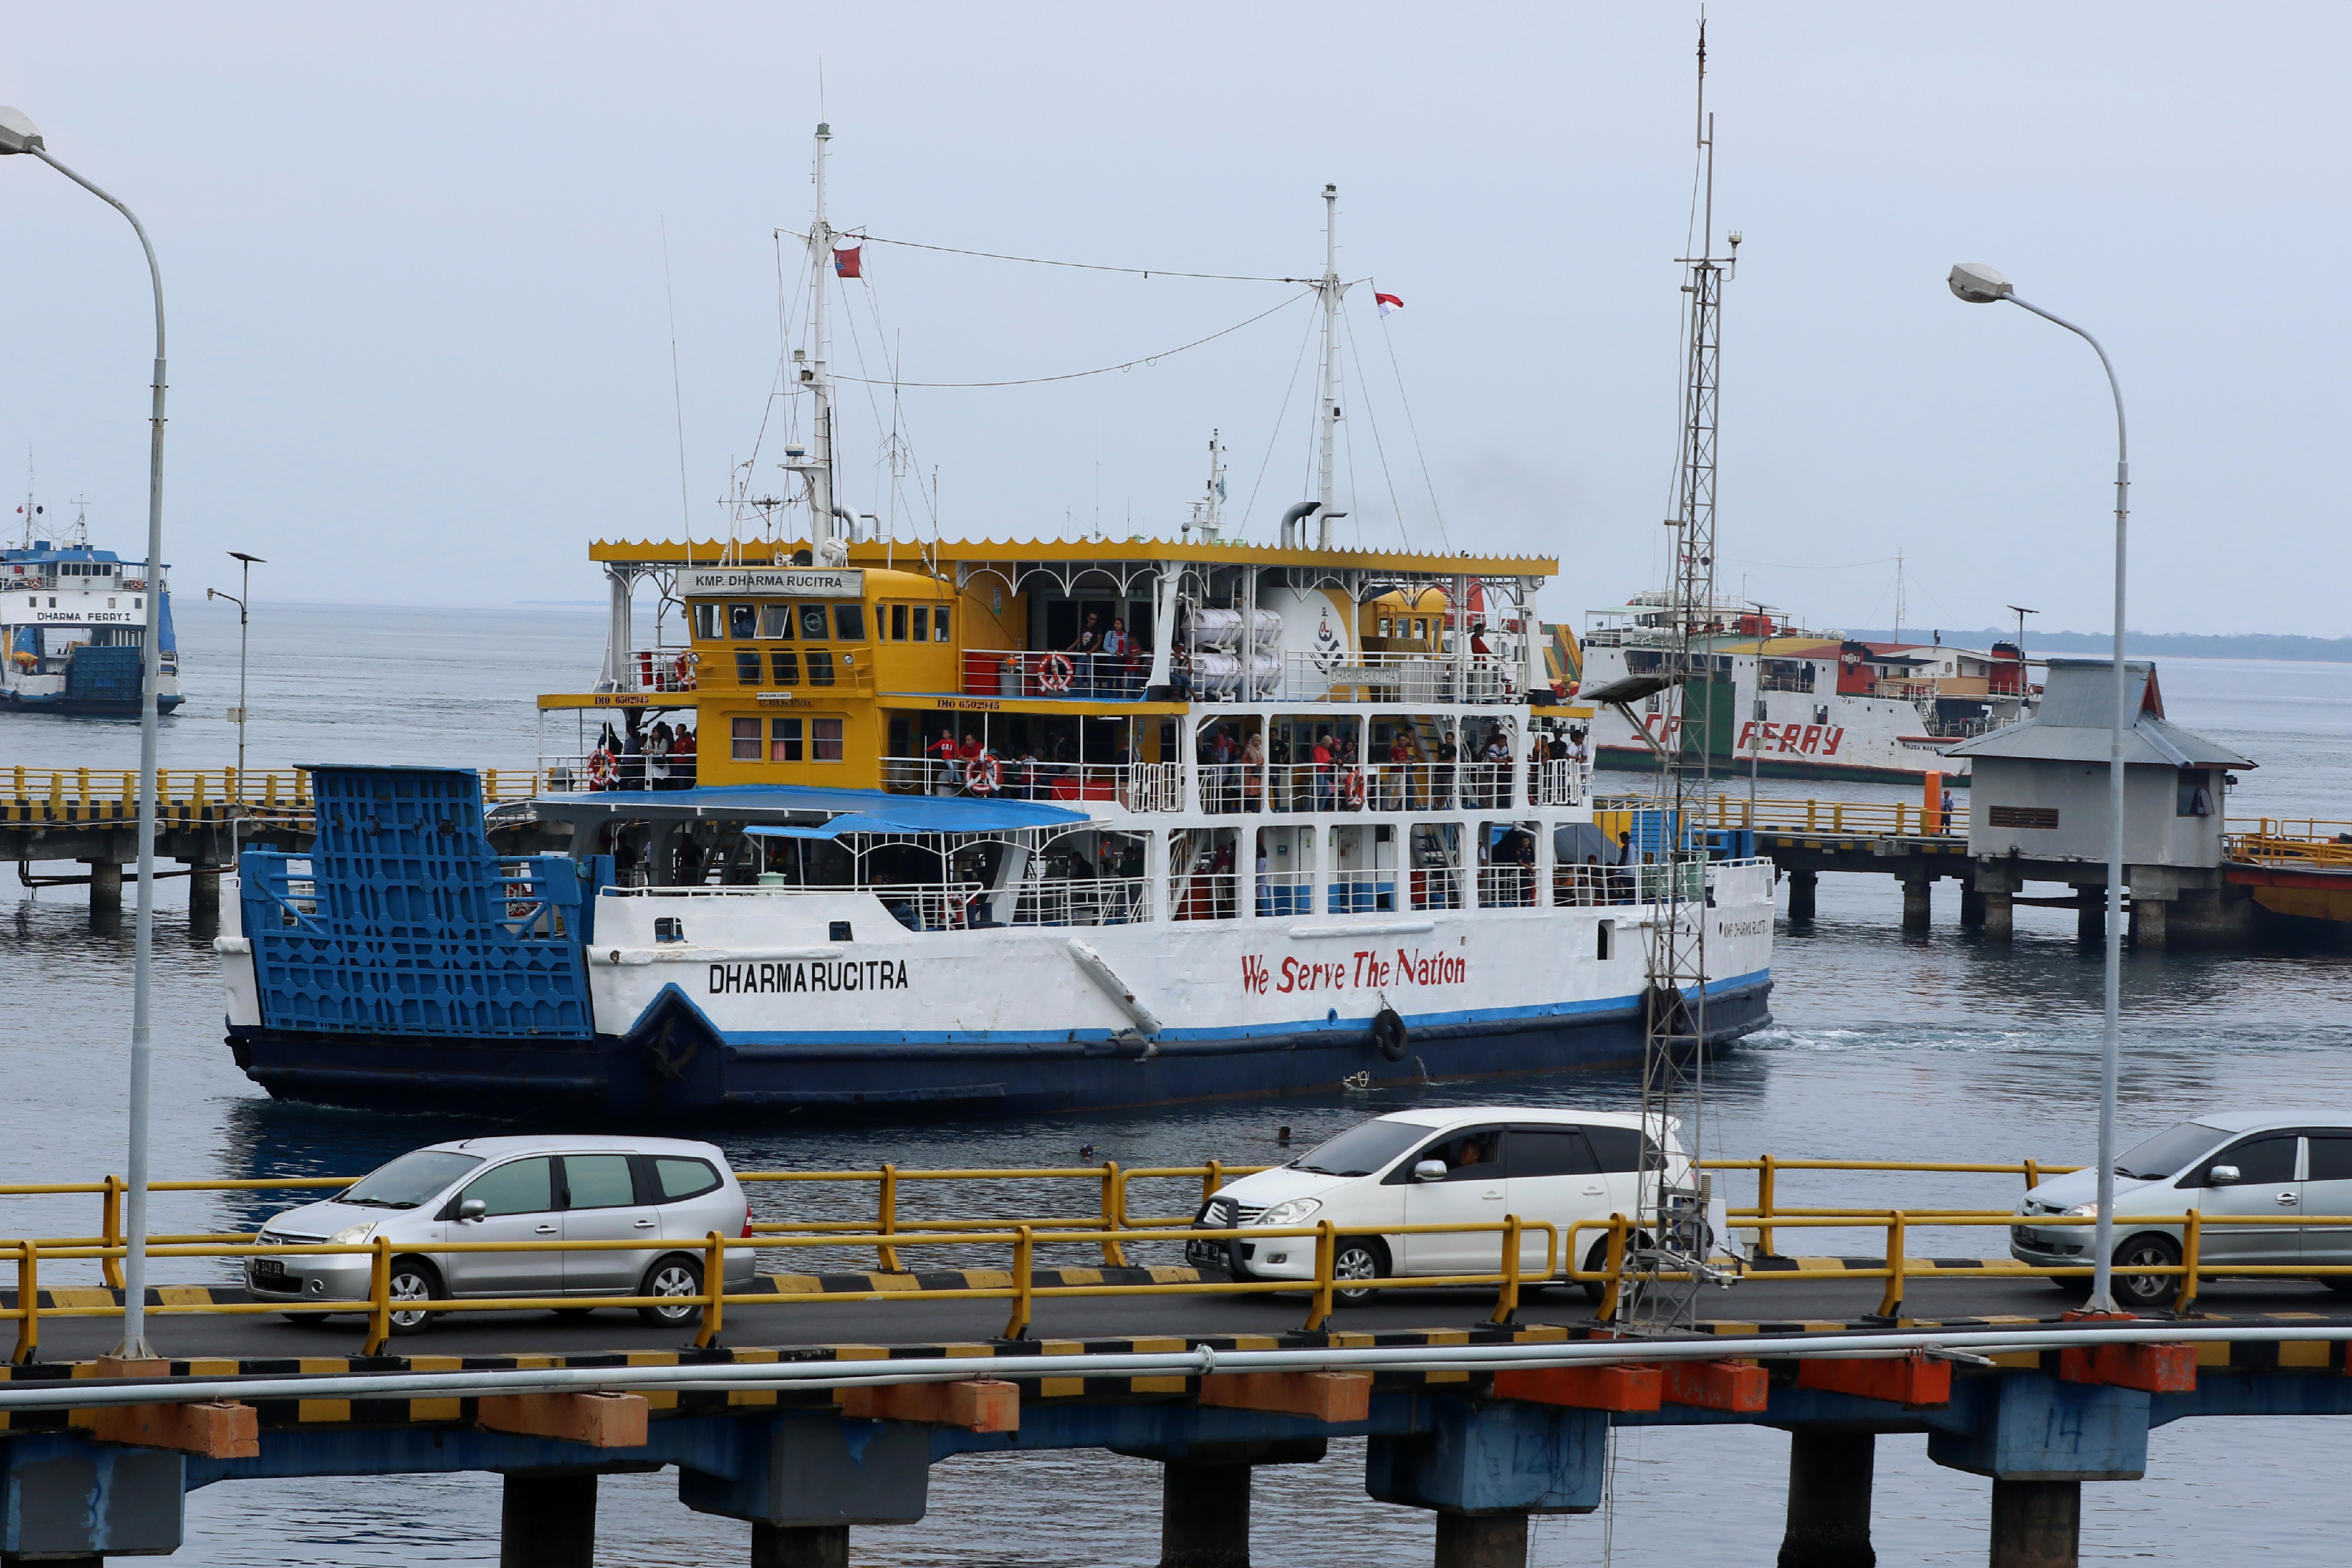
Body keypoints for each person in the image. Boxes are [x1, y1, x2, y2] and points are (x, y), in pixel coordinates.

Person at [1241, 729, 1266, 813]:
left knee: (1255, 792)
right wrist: (1253, 763)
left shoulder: (1261, 750)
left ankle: (1253, 809)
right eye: (1255, 740)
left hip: (1256, 774)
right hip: (1249, 773)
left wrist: (1259, 763)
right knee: (1248, 791)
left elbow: (1262, 760)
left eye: (1258, 740)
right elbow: (1243, 761)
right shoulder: (1248, 750)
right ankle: (1246, 809)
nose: (1257, 742)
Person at [1312, 729, 1335, 812]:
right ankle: (1314, 808)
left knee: (1327, 792)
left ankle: (1320, 808)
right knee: (1318, 791)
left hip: (1325, 772)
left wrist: (1332, 761)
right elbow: (1317, 761)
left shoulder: (1326, 750)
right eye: (1329, 744)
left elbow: (1327, 759)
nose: (1329, 746)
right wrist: (1328, 761)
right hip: (1320, 772)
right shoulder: (1317, 749)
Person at [669, 724, 697, 790]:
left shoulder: (688, 740)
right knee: (676, 782)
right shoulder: (677, 741)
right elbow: (676, 751)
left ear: (683, 731)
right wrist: (668, 753)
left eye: (678, 729)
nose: (676, 730)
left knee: (682, 783)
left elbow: (696, 749)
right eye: (676, 729)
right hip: (676, 765)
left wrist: (687, 752)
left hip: (684, 765)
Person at [1435, 732, 1458, 809]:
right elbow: (1438, 758)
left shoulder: (1453, 748)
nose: (1449, 740)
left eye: (1450, 739)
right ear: (1445, 738)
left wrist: (1442, 762)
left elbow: (1452, 760)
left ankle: (1440, 807)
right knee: (1436, 790)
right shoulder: (1442, 747)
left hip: (1448, 771)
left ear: (1453, 740)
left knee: (1445, 790)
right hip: (1439, 771)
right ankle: (1439, 807)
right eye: (1448, 738)